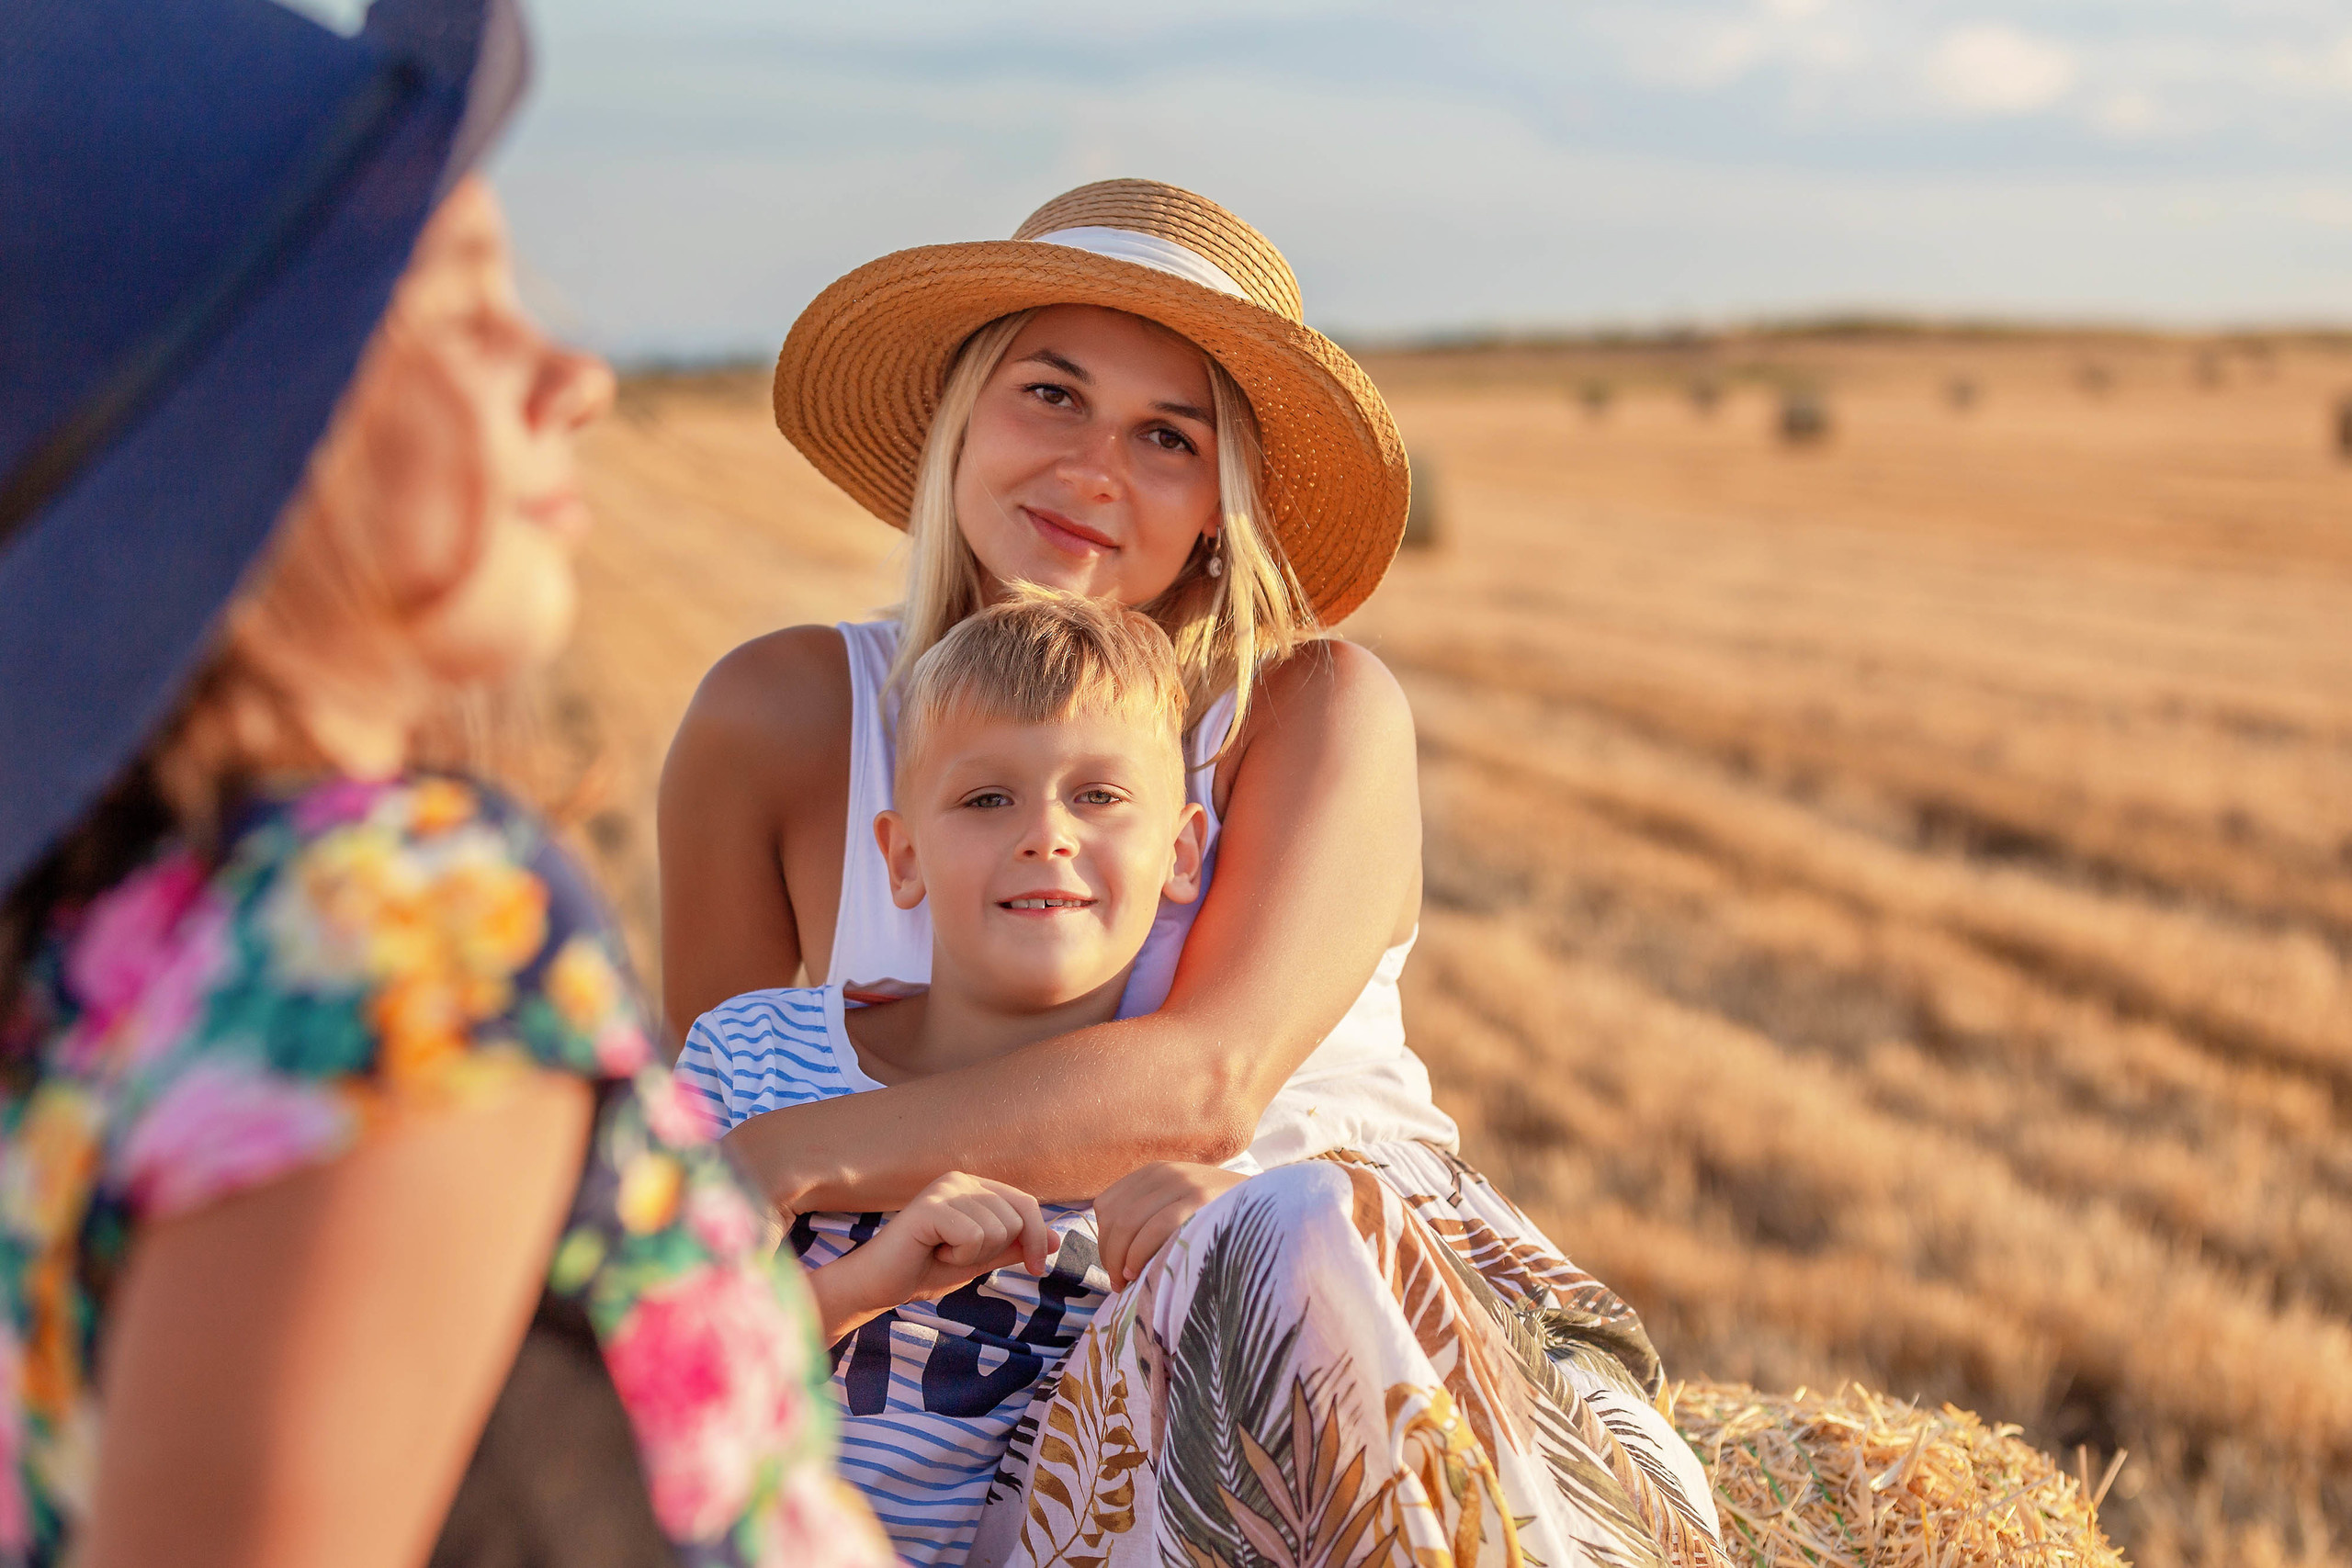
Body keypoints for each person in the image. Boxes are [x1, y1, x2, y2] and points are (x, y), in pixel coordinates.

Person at [660, 181, 1726, 1566]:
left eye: (1169, 435)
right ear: (960, 417)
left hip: (1364, 1355)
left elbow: (1205, 1085)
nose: (1096, 468)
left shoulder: (1311, 710)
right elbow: (718, 1127)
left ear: (1222, 506)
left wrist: (791, 1156)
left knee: (1288, 1220)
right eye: (1052, 393)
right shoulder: (787, 713)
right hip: (983, 1425)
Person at [0, 5, 891, 1565]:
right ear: (245, 420)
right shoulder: (384, 927)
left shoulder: (88, 944)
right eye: (465, 315)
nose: (577, 377)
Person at [676, 587, 1221, 1564]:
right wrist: (859, 1287)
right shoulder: (754, 1058)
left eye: (1097, 795)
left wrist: (1227, 1236)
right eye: (986, 798)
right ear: (904, 857)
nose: (1045, 834)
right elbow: (651, 1363)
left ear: (1180, 853)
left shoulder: (1168, 1145)